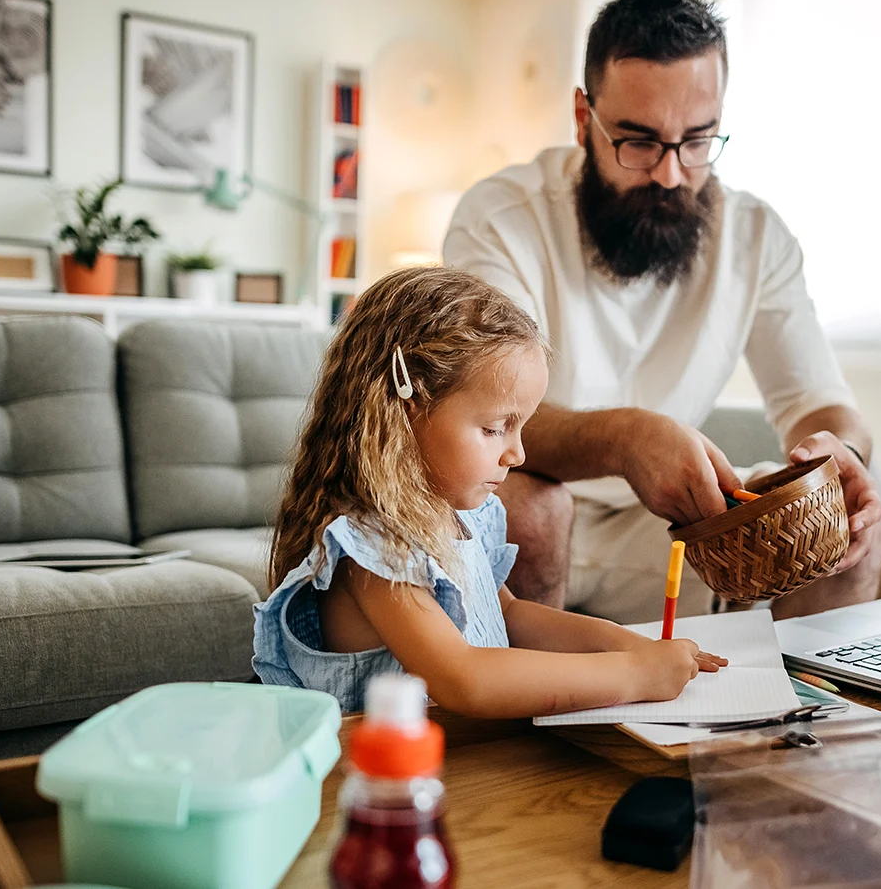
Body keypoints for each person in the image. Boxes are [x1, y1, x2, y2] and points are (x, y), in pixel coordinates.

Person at [443, 0, 881, 624]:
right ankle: (524, 718)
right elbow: (489, 415)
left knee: (850, 518)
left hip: (663, 530)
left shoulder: (756, 236)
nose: (671, 175)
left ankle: (794, 720)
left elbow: (821, 402)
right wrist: (627, 438)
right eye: (640, 142)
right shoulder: (501, 218)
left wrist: (841, 455)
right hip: (522, 499)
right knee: (529, 509)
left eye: (698, 141)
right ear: (582, 118)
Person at [252, 266, 726, 716]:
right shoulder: (374, 547)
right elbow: (464, 678)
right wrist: (631, 674)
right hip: (389, 782)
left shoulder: (460, 518)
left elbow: (510, 615)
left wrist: (626, 643)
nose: (517, 454)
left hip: (464, 758)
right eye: (497, 428)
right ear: (408, 407)